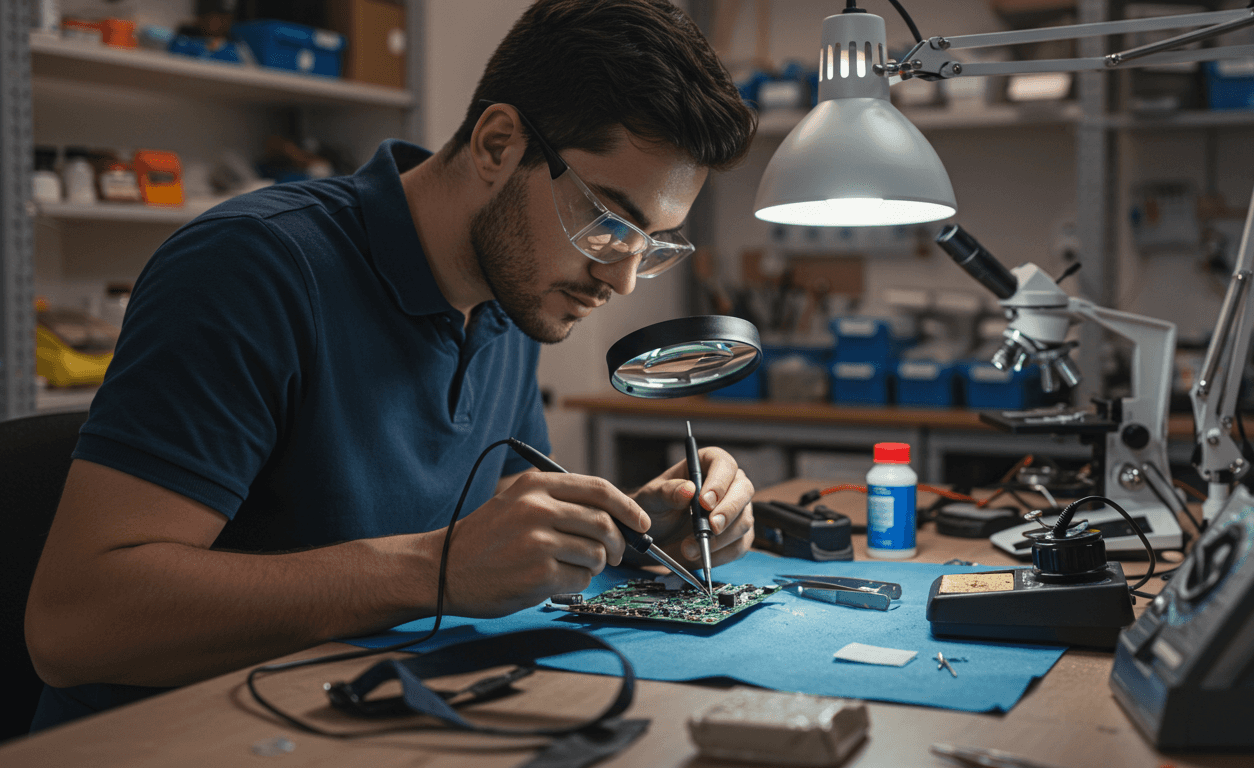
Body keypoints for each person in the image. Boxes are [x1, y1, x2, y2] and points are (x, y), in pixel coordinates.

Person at [25, 0, 756, 730]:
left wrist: (633, 533)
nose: (621, 280)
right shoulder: (252, 270)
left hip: (363, 715)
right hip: (176, 736)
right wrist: (433, 570)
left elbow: (500, 520)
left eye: (652, 246)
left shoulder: (513, 297)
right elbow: (73, 626)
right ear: (498, 145)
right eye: (607, 225)